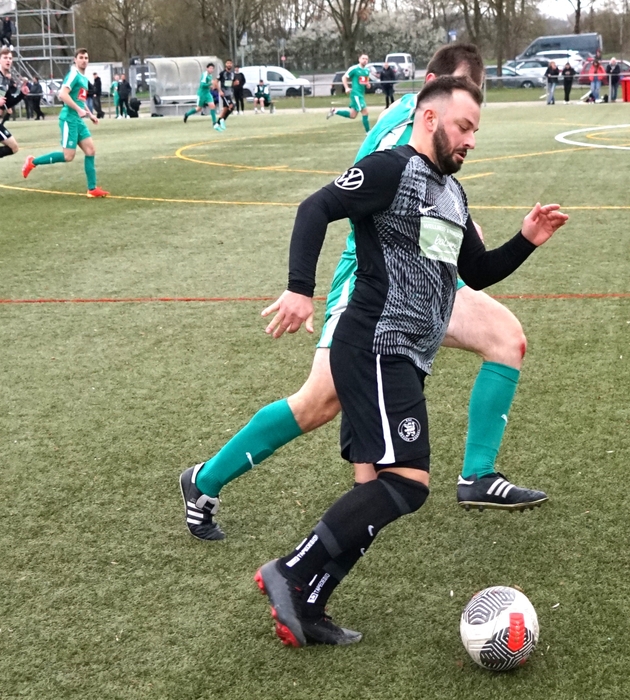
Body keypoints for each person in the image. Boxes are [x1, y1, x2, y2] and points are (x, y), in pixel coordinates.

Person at [179, 44, 550, 544]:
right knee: (318, 402)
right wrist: (300, 288)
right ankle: (204, 480)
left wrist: (474, 232)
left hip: (427, 272)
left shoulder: (435, 145)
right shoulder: (404, 135)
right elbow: (355, 206)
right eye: (462, 99)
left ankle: (477, 475)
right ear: (433, 90)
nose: (469, 128)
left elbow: (442, 220)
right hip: (375, 280)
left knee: (506, 338)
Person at [252, 74, 568, 647]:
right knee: (408, 483)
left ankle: (309, 602)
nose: (471, 140)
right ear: (429, 118)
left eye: (475, 130)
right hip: (375, 343)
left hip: (404, 355)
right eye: (463, 126)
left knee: (379, 485)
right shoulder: (390, 169)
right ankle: (292, 572)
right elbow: (315, 207)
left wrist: (527, 238)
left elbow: (476, 272)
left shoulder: (451, 194)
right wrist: (300, 288)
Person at [21, 48, 108, 198]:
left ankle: (92, 189)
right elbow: (62, 95)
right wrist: (78, 110)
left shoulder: (83, 78)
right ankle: (33, 162)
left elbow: (80, 100)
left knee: (90, 151)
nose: (84, 60)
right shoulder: (73, 74)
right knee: (68, 156)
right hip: (69, 118)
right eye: (81, 57)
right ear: (75, 60)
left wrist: (89, 114)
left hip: (78, 120)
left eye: (86, 58)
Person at [0, 48, 27, 170]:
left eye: (10, 58)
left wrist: (22, 94)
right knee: (13, 147)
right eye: (5, 58)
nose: (8, 60)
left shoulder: (6, 81)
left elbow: (6, 104)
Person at [327, 53, 371, 133]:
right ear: (359, 59)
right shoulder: (354, 68)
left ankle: (334, 111)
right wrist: (346, 88)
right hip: (356, 94)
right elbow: (344, 77)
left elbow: (364, 81)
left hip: (361, 94)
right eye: (363, 58)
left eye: (366, 59)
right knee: (365, 112)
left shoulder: (367, 71)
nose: (365, 60)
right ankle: (368, 132)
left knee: (352, 115)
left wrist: (368, 84)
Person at [183, 63, 219, 129]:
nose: (211, 69)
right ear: (207, 68)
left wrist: (211, 87)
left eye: (212, 68)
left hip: (207, 93)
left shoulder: (210, 75)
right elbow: (202, 85)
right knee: (198, 109)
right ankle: (187, 114)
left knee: (212, 106)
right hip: (201, 94)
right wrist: (210, 84)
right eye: (210, 68)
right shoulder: (204, 75)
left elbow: (208, 85)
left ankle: (214, 122)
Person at [216, 59, 237, 129]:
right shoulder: (222, 73)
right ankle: (222, 120)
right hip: (224, 93)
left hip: (230, 93)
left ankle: (217, 124)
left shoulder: (232, 74)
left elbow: (233, 83)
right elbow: (215, 82)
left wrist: (235, 83)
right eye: (228, 63)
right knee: (231, 106)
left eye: (230, 63)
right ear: (225, 64)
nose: (229, 65)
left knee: (225, 109)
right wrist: (220, 91)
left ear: (232, 64)